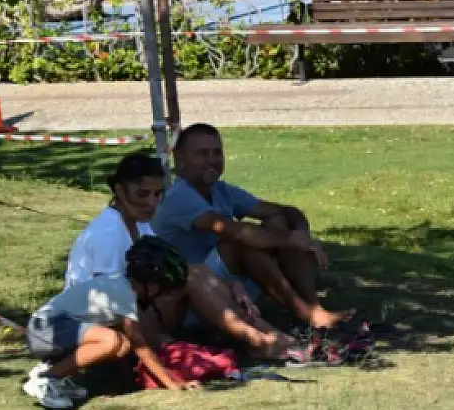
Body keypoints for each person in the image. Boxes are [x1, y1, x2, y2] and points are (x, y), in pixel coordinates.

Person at [68, 151, 307, 363]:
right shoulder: (108, 234)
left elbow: (174, 267)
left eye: (157, 194)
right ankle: (259, 340)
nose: (152, 203)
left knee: (195, 272)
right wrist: (153, 350)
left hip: (140, 309)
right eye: (142, 194)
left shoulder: (137, 224)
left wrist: (230, 285)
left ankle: (266, 336)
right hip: (110, 326)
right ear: (119, 190)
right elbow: (112, 304)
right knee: (192, 276)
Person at [151, 123, 350, 331]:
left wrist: (300, 232)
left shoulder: (221, 190)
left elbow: (284, 211)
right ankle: (305, 312)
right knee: (240, 242)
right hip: (190, 298)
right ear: (180, 159)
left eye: (217, 153)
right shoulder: (178, 196)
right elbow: (232, 231)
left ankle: (312, 307)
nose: (212, 160)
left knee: (277, 222)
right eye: (202, 154)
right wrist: (290, 241)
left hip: (226, 285)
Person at [23, 237, 198, 409]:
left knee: (122, 345)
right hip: (45, 329)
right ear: (152, 286)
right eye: (164, 291)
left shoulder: (120, 287)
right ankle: (45, 379)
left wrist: (129, 384)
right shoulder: (123, 293)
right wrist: (172, 383)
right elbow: (141, 347)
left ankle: (54, 372)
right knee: (111, 340)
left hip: (49, 331)